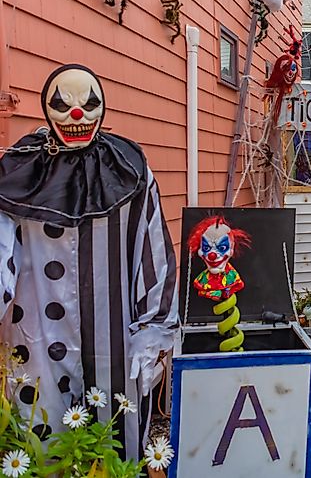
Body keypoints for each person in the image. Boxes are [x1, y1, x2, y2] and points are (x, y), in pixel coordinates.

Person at [0, 64, 178, 458]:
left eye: (89, 103)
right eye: (62, 104)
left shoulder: (128, 167)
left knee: (112, 440)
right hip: (37, 333)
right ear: (48, 108)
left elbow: (152, 248)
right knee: (40, 438)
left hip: (112, 335)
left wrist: (153, 328)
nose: (76, 114)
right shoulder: (21, 168)